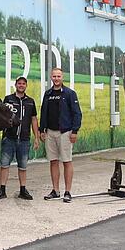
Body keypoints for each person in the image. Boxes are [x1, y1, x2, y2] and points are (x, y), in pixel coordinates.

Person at [39, 67, 82, 202]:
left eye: (58, 76)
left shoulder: (70, 93)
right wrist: (42, 130)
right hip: (50, 133)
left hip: (65, 132)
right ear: (51, 77)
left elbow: (77, 113)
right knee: (53, 161)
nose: (56, 79)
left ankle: (67, 191)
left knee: (67, 161)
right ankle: (55, 190)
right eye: (54, 76)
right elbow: (43, 112)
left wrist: (74, 131)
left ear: (62, 77)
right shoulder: (48, 94)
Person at [0, 76, 41, 200]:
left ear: (26, 86)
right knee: (4, 165)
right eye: (19, 83)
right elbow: (1, 115)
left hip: (24, 139)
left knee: (23, 166)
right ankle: (2, 189)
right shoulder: (8, 99)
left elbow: (34, 119)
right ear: (15, 85)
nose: (21, 85)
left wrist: (36, 137)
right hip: (9, 138)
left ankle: (23, 190)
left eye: (23, 84)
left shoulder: (30, 101)